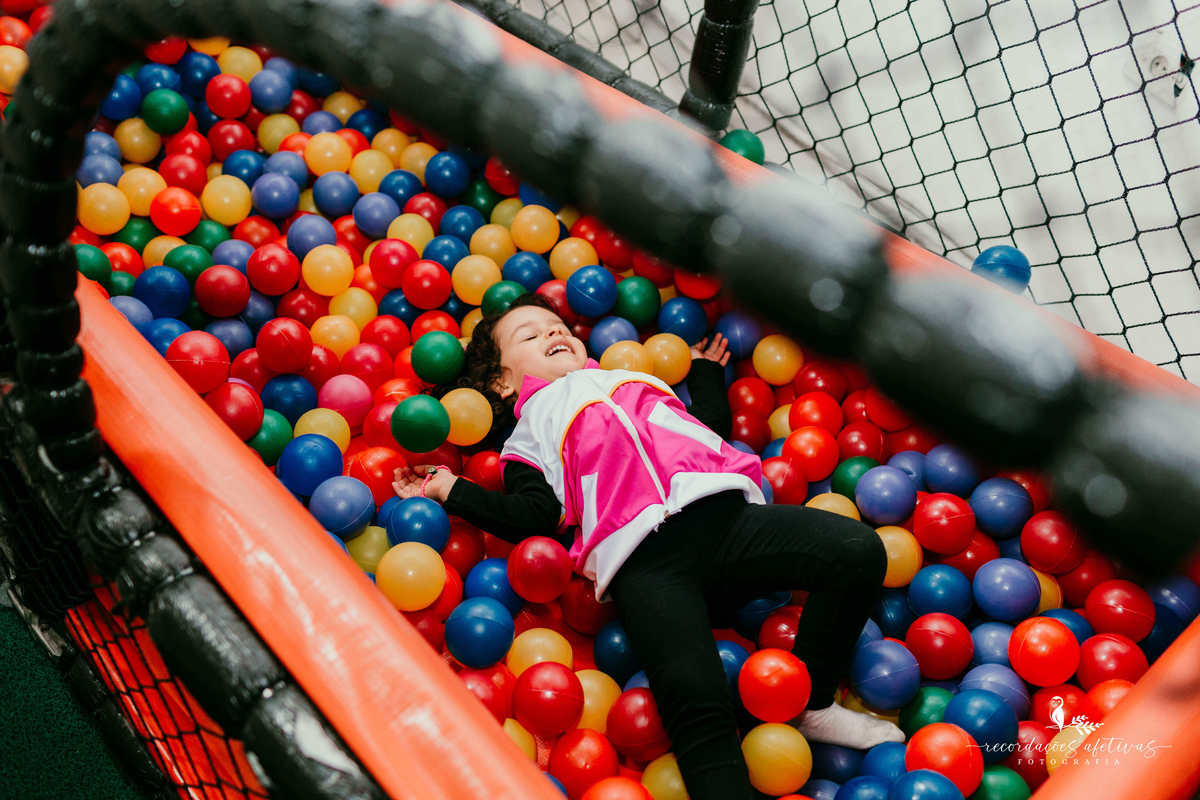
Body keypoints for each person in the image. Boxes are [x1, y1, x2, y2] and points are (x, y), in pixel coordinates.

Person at [393, 294, 903, 800]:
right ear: (502, 382)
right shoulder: (528, 435)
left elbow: (705, 430)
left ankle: (811, 701)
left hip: (727, 522)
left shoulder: (634, 379)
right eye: (530, 335)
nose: (553, 333)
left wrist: (704, 373)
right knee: (697, 705)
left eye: (558, 327)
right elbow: (535, 515)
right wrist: (449, 489)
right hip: (645, 564)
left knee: (856, 549)